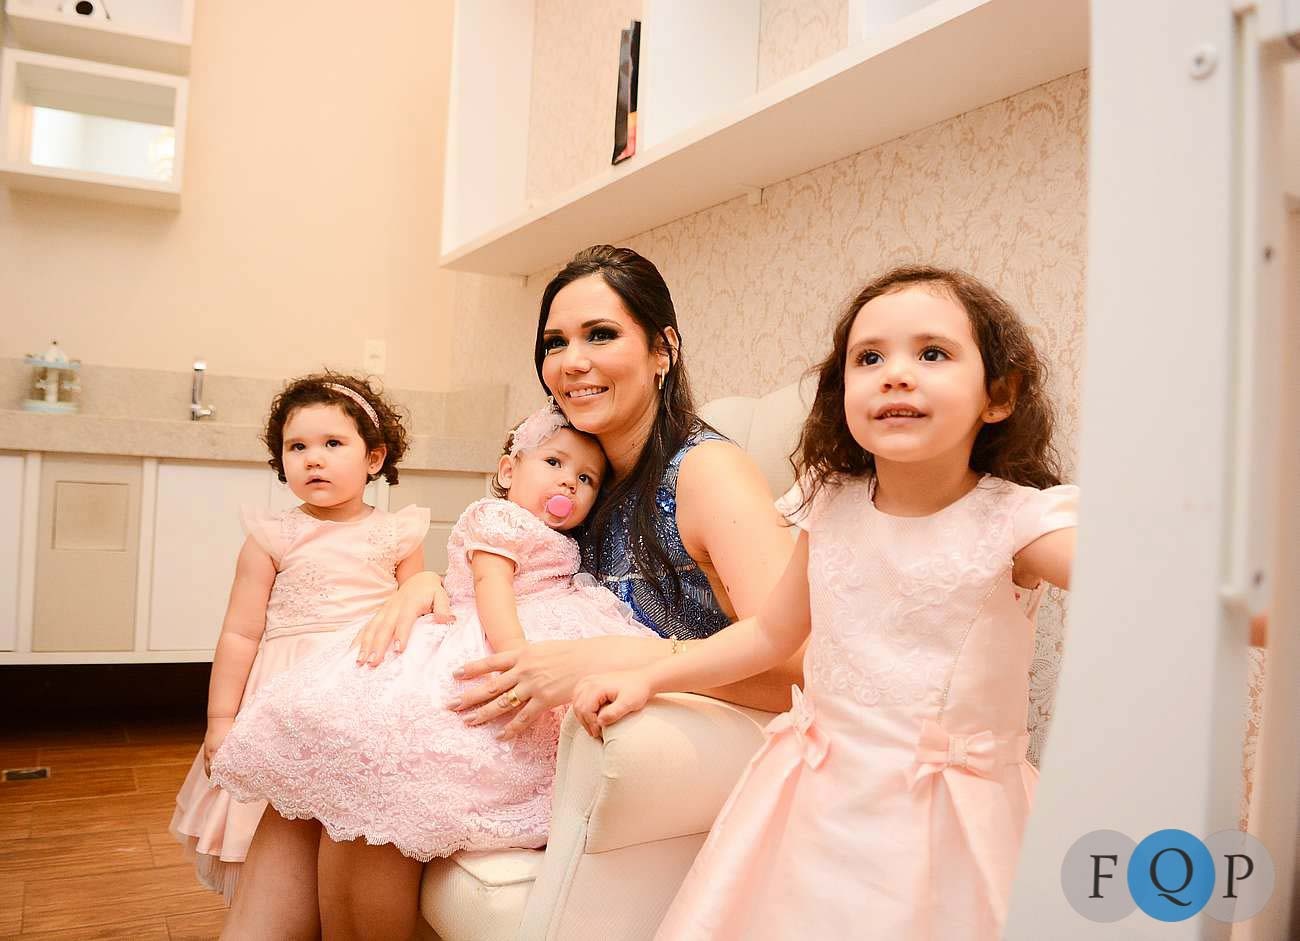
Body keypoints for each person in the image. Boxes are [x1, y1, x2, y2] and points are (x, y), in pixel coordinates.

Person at [574, 265, 1080, 940]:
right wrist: (650, 676)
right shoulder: (830, 502)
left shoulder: (1018, 523)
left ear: (1000, 393)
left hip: (946, 824)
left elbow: (1148, 592)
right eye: (869, 358)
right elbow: (769, 633)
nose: (895, 375)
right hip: (815, 801)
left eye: (932, 353)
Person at [209, 405, 658, 939]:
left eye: (585, 479)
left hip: (544, 630)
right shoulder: (499, 518)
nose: (568, 482)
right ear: (508, 470)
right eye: (554, 463)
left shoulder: (563, 541)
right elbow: (491, 588)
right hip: (497, 633)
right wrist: (517, 656)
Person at [169, 372, 435, 903]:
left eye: (333, 444)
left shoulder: (398, 534)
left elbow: (418, 623)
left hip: (364, 689)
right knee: (278, 812)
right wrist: (220, 721)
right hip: (284, 692)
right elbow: (240, 633)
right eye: (298, 447)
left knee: (347, 812)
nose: (314, 459)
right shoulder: (272, 537)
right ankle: (279, 901)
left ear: (374, 458)